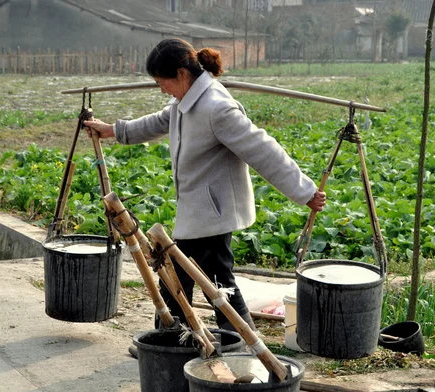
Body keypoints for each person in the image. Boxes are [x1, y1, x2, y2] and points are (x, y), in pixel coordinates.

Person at [83, 38, 326, 332]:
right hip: (200, 206)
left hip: (213, 210)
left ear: (182, 74)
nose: (162, 89)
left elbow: (263, 150)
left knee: (180, 272)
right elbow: (160, 120)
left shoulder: (217, 108)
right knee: (211, 278)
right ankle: (226, 336)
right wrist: (114, 130)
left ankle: (179, 337)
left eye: (163, 82)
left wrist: (305, 191)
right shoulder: (184, 101)